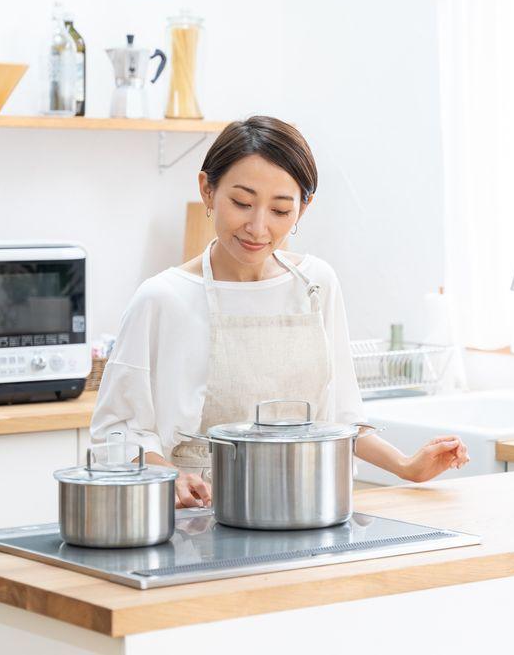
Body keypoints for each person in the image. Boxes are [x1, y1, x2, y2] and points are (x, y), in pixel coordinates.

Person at [90, 116, 469, 507]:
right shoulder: (161, 298)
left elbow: (339, 417)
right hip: (198, 518)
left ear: (303, 209)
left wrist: (407, 466)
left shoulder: (316, 285)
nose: (258, 227)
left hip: (306, 507)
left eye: (280, 210)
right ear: (207, 189)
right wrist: (168, 478)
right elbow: (118, 431)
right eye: (242, 203)